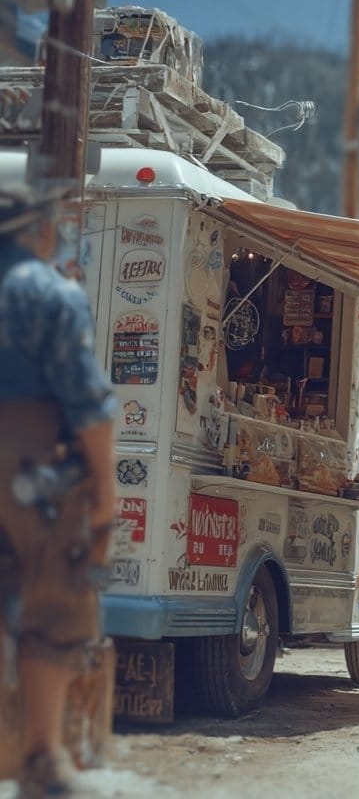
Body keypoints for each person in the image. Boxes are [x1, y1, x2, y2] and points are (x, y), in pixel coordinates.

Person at [0, 177, 118, 796]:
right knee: (52, 599)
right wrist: (105, 497)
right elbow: (89, 408)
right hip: (29, 470)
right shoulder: (50, 294)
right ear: (39, 230)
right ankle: (41, 755)